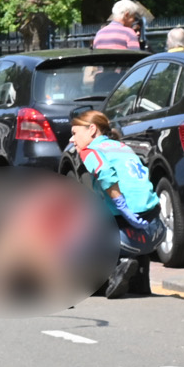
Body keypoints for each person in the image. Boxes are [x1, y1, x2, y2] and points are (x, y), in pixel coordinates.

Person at [68, 109, 162, 297]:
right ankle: (139, 284)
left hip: (126, 236)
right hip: (155, 231)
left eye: (74, 133)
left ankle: (118, 268)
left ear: (92, 129)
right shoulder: (122, 147)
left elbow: (104, 173)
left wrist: (121, 204)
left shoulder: (90, 150)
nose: (72, 140)